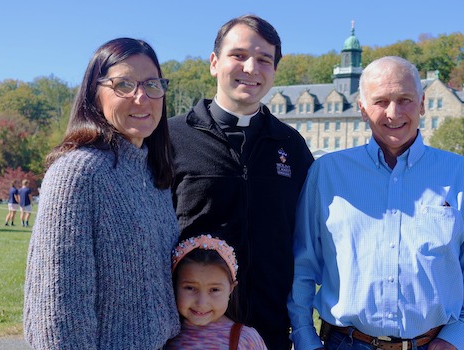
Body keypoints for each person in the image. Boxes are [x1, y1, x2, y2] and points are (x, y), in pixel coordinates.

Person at [287, 56, 464, 350]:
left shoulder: (462, 175)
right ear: (362, 108)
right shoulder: (328, 173)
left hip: (431, 344)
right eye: (381, 101)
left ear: (423, 104)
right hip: (344, 343)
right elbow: (302, 265)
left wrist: (457, 336)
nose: (393, 112)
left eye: (405, 99)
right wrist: (303, 336)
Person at [168, 14, 314, 350]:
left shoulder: (291, 146)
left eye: (264, 60)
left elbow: (307, 242)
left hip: (269, 332)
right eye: (239, 55)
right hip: (186, 334)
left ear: (274, 72)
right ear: (214, 63)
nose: (251, 67)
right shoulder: (170, 139)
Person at [24, 37, 180, 349]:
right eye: (124, 84)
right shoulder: (78, 172)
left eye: (152, 84)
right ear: (95, 93)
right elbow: (57, 311)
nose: (141, 97)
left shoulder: (154, 174)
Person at [165, 234, 267, 349]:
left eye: (214, 290)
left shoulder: (245, 339)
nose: (201, 303)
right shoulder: (164, 336)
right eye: (190, 288)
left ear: (231, 289)